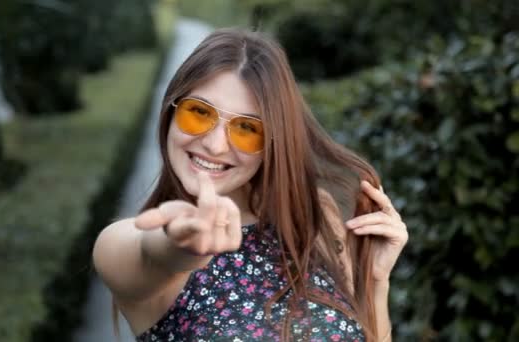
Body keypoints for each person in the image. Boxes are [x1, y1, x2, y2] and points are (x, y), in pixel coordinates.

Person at [93, 28, 408, 342]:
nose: (215, 145)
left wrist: (376, 283)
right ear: (171, 110)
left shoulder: (315, 218)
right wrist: (183, 245)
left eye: (246, 128)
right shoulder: (121, 245)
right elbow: (154, 254)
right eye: (199, 112)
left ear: (273, 140)